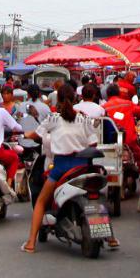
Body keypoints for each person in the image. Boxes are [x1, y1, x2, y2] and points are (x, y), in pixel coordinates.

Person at [22, 83, 104, 253]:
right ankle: (111, 239)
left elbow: (37, 134)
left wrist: (26, 134)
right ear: (75, 98)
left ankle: (31, 243)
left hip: (61, 167)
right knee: (97, 198)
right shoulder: (83, 118)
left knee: (41, 202)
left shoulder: (53, 118)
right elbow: (93, 143)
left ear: (57, 99)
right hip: (82, 166)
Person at [103, 83, 140, 173]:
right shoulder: (127, 104)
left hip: (110, 143)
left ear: (107, 95)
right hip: (129, 140)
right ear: (119, 93)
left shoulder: (103, 107)